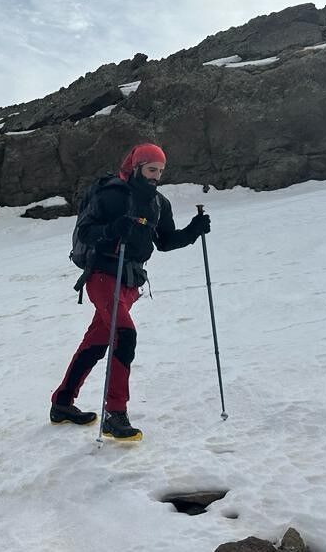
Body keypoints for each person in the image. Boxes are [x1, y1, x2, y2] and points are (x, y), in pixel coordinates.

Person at [50, 143, 211, 439]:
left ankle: (62, 403)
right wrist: (112, 230)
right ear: (136, 167)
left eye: (160, 171)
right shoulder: (111, 194)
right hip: (102, 276)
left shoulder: (159, 203)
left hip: (130, 281)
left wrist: (194, 230)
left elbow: (165, 241)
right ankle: (115, 413)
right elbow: (86, 230)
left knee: (97, 341)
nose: (156, 176)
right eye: (151, 170)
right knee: (125, 334)